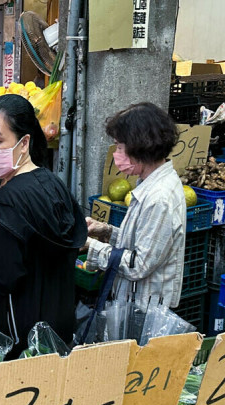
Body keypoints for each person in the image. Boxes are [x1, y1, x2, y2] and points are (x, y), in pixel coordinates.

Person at [0, 94, 87, 359]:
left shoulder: (10, 200)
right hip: (59, 324)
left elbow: (4, 277)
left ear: (24, 142)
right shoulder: (52, 183)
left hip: (20, 335)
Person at [84, 102, 186, 310]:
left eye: (120, 147)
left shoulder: (159, 198)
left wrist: (89, 245)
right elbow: (145, 240)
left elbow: (138, 265)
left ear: (139, 147)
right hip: (136, 301)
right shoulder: (150, 185)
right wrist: (106, 231)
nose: (116, 154)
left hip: (146, 308)